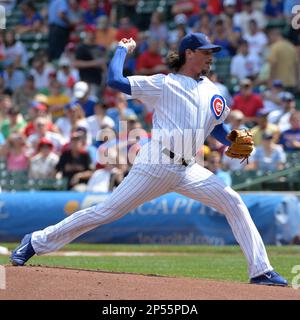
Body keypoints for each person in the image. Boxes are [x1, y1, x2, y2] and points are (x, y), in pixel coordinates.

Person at [10, 33, 288, 286]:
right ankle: (35, 241)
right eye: (205, 51)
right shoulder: (164, 84)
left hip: (189, 168)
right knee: (106, 212)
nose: (210, 56)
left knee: (234, 202)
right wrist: (121, 50)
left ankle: (261, 271)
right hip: (156, 163)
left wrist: (232, 141)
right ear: (189, 53)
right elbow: (116, 81)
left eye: (211, 51)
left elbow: (216, 126)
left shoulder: (213, 91)